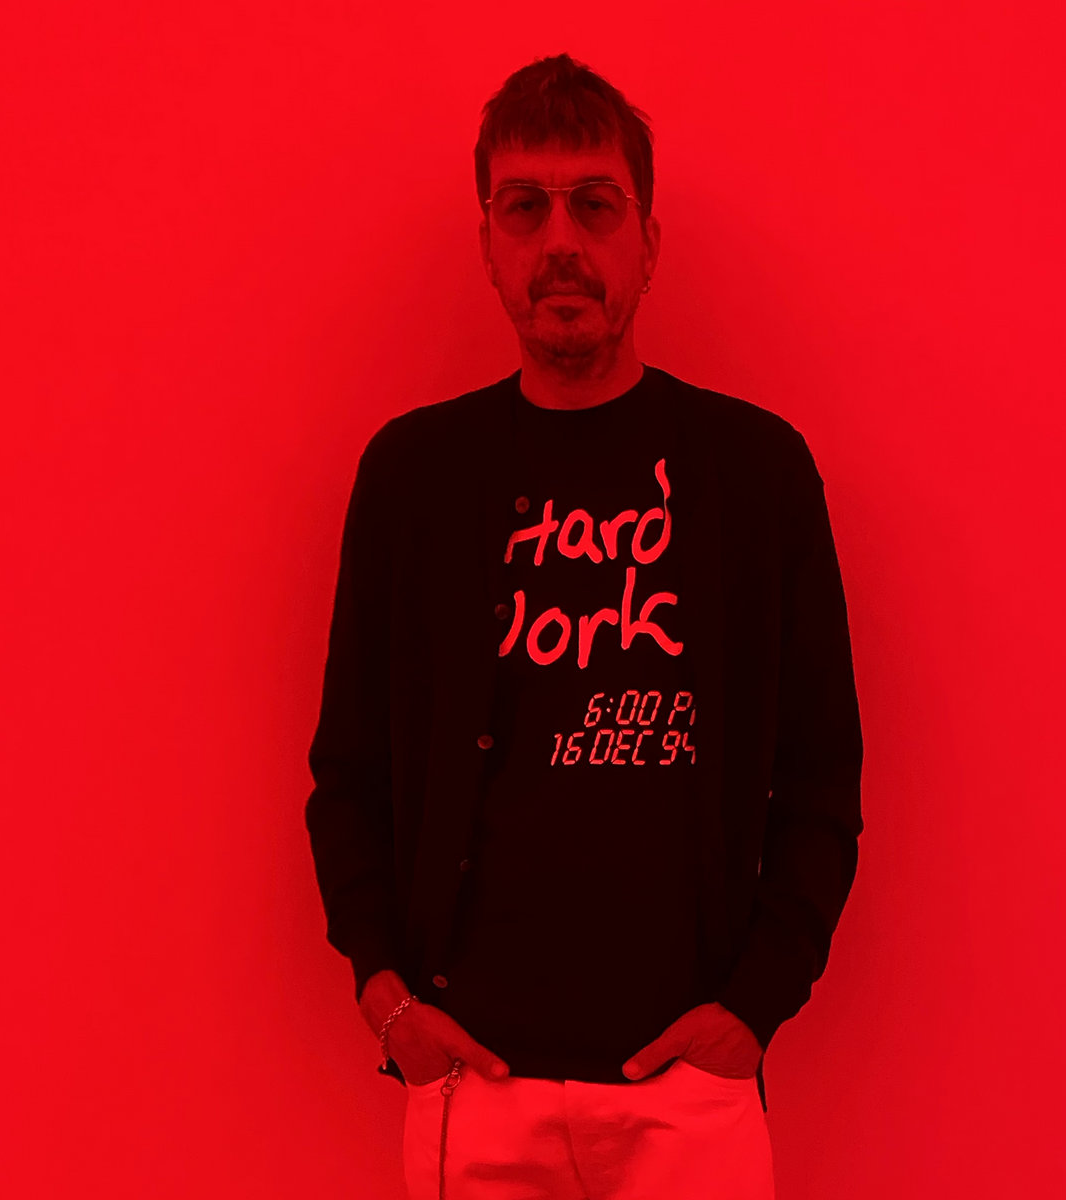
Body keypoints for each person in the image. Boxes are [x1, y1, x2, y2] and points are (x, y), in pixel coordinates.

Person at [305, 51, 864, 1200]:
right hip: (472, 1088)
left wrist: (755, 1009)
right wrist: (388, 999)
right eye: (526, 207)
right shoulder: (413, 478)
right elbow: (348, 774)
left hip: (692, 1096)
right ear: (489, 244)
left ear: (647, 241)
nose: (560, 240)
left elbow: (820, 778)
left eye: (594, 206)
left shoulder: (755, 477)